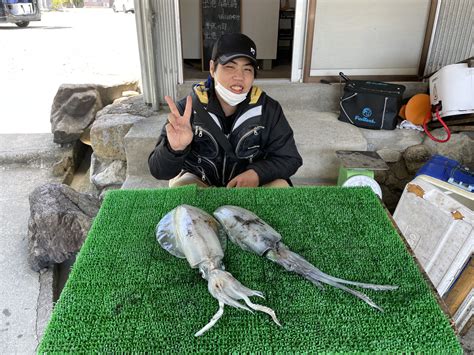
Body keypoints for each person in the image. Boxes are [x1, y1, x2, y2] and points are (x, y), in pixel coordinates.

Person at [148, 33, 302, 188]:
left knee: (281, 186)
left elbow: (290, 158)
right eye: (230, 66)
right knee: (179, 187)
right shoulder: (187, 110)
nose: (239, 77)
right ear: (212, 68)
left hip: (249, 187)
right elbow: (158, 170)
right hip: (201, 183)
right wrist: (175, 149)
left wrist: (257, 173)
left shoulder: (268, 109)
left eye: (247, 69)